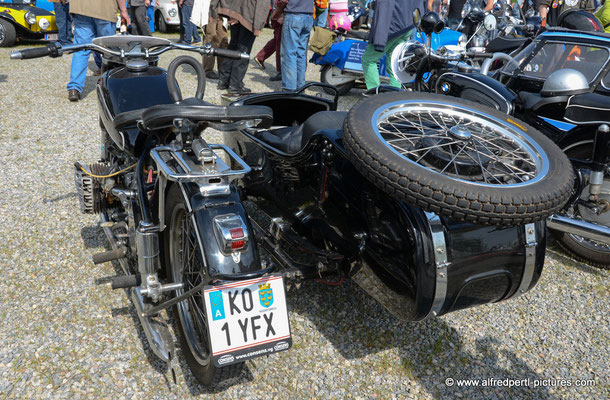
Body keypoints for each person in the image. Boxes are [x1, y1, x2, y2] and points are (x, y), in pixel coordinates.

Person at [67, 0, 130, 102]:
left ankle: (74, 88)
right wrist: (124, 11)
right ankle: (113, 87)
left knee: (81, 50)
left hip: (81, 7)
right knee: (109, 50)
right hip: (104, 8)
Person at [362, 0, 421, 89]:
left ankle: (374, 96)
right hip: (407, 24)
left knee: (369, 59)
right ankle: (395, 96)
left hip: (391, 25)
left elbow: (384, 4)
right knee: (393, 63)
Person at [217, 0, 270, 94]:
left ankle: (224, 80)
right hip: (249, 16)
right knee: (243, 51)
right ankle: (235, 85)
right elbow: (262, 4)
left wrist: (231, 12)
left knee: (233, 46)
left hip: (237, 13)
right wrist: (258, 26)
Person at [281, 0, 314, 91]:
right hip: (308, 15)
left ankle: (289, 88)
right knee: (301, 53)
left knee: (289, 53)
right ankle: (300, 86)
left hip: (294, 13)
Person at [254, 0, 287, 81]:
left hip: (277, 12)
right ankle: (280, 70)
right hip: (279, 13)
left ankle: (260, 57)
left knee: (277, 40)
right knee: (279, 43)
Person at [202, 1, 229, 80]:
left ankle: (222, 69)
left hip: (221, 13)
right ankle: (207, 70)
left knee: (223, 40)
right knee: (210, 39)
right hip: (211, 11)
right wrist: (212, 15)